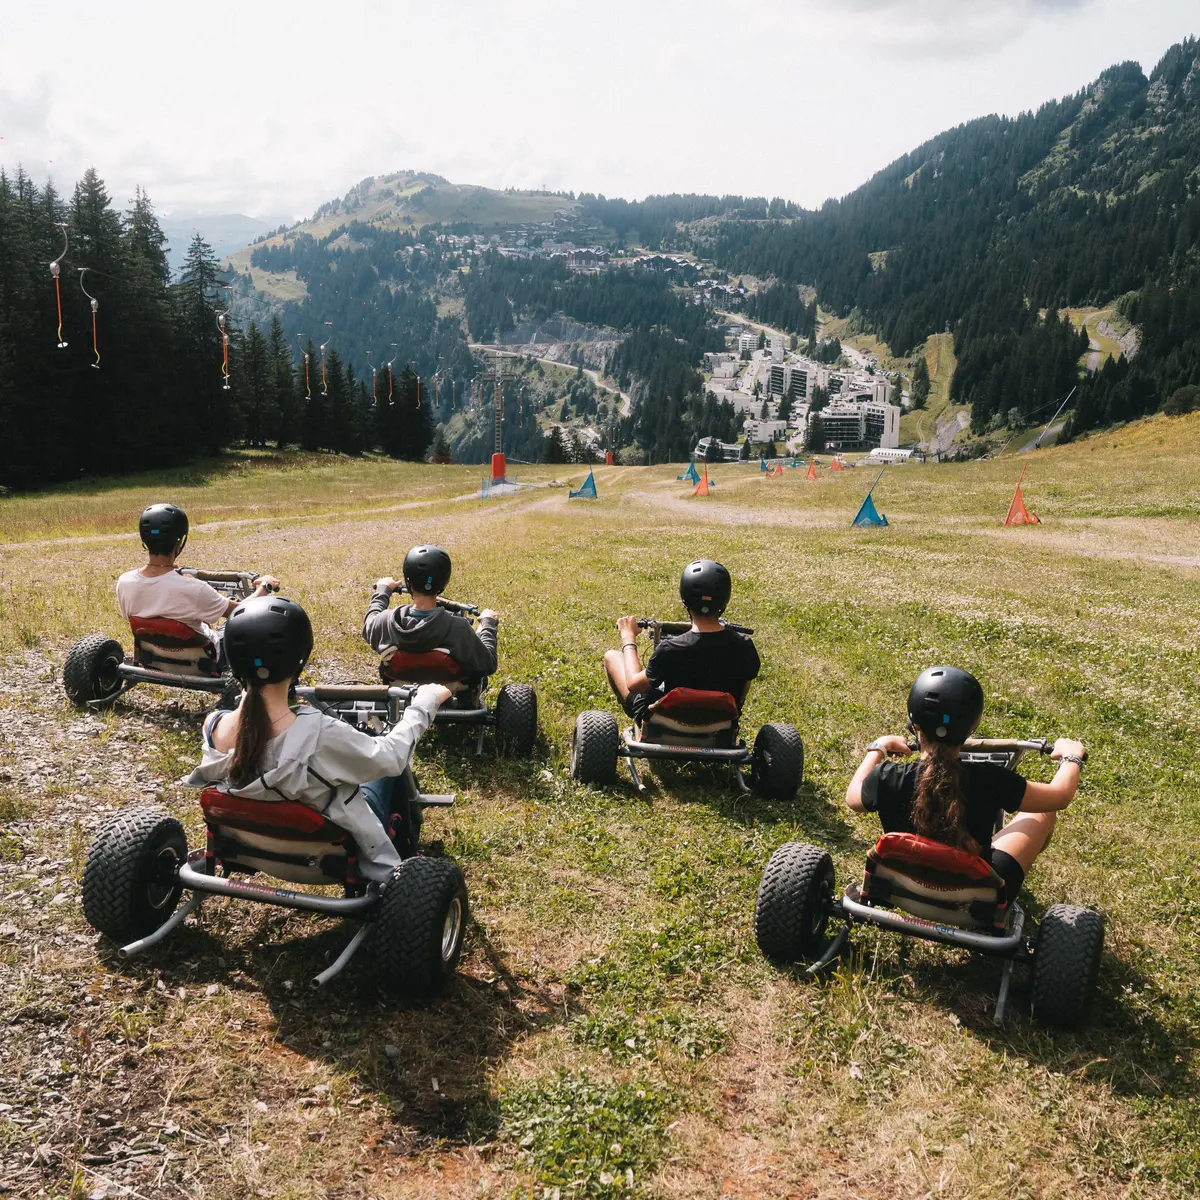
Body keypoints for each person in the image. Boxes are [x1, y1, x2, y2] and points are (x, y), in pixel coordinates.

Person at [185, 595, 452, 880]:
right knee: (388, 769)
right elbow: (391, 758)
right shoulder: (318, 734)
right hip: (328, 859)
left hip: (247, 846)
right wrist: (425, 703)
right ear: (299, 657)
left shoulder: (214, 726)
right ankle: (406, 863)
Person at [844, 665, 1087, 902]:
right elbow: (1060, 795)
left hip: (901, 884)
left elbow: (853, 798)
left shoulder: (888, 776)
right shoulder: (990, 779)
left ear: (914, 724)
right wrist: (1071, 756)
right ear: (972, 725)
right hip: (977, 898)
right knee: (1044, 812)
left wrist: (879, 748)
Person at [603, 558, 761, 724]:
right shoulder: (744, 646)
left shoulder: (670, 649)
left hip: (668, 722)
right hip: (720, 722)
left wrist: (628, 637)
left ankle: (640, 726)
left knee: (612, 657)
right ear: (724, 599)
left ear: (685, 598)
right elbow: (744, 686)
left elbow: (634, 685)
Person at [116, 503, 279, 651]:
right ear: (179, 543)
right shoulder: (195, 589)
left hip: (152, 654)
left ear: (144, 539)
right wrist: (265, 586)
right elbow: (242, 611)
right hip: (203, 660)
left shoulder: (125, 582)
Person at [362, 545, 499, 684]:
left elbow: (369, 624)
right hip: (450, 697)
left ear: (408, 582)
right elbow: (488, 664)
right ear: (443, 582)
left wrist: (382, 591)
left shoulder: (386, 621)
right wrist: (488, 624)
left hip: (399, 695)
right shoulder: (459, 629)